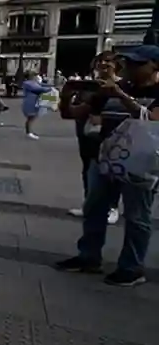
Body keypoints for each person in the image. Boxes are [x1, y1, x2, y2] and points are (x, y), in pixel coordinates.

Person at [54, 44, 159, 287]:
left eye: (137, 63)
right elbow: (73, 114)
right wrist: (66, 95)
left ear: (154, 65)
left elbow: (152, 119)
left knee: (137, 216)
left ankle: (131, 268)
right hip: (104, 159)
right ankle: (88, 257)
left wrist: (121, 96)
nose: (129, 68)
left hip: (141, 164)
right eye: (128, 63)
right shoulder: (114, 89)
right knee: (94, 208)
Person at [62, 52, 120, 224]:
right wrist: (66, 96)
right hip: (87, 132)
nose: (103, 64)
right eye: (99, 61)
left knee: (112, 172)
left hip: (112, 136)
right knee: (88, 169)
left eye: (108, 62)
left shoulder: (122, 86)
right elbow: (71, 110)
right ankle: (89, 202)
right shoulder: (88, 85)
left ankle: (112, 206)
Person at [19, 71, 53, 140]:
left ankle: (29, 131)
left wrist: (51, 86)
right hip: (30, 101)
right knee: (31, 117)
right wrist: (49, 89)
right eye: (34, 75)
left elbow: (41, 85)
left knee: (33, 117)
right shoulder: (27, 83)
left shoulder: (34, 82)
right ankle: (28, 133)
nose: (35, 77)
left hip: (36, 100)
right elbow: (37, 89)